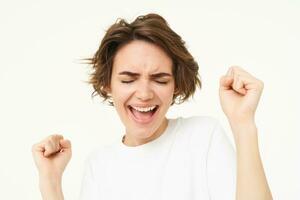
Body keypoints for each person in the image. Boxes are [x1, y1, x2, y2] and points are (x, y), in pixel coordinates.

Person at [32, 13, 273, 200]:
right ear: (108, 84)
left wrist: (243, 124)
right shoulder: (99, 165)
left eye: (160, 79)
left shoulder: (203, 136)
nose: (145, 94)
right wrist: (51, 184)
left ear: (176, 85)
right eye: (128, 80)